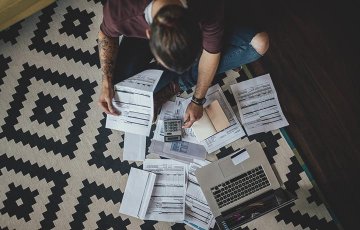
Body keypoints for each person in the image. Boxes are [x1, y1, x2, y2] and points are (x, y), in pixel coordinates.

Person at [98, 0, 269, 128]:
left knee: (259, 44)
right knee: (119, 87)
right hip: (141, 21)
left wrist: (197, 100)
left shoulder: (207, 7)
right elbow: (106, 35)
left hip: (211, 14)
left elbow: (211, 53)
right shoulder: (120, 11)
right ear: (149, 34)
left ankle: (176, 83)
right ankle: (172, 79)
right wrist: (106, 80)